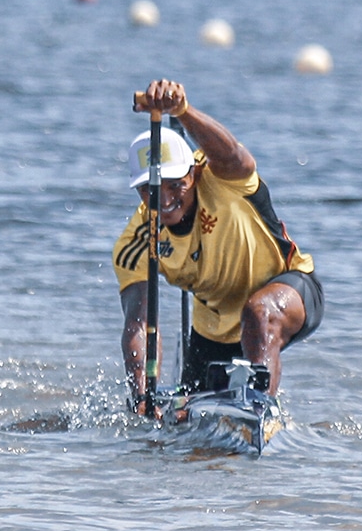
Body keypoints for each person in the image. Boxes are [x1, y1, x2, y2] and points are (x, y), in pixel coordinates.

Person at [113, 79, 323, 416]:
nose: (165, 200)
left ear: (194, 174)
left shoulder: (223, 178)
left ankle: (259, 412)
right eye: (151, 192)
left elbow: (236, 156)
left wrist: (182, 111)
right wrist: (141, 394)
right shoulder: (138, 239)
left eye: (176, 185)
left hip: (289, 290)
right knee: (183, 419)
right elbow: (139, 324)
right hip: (211, 331)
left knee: (258, 313)